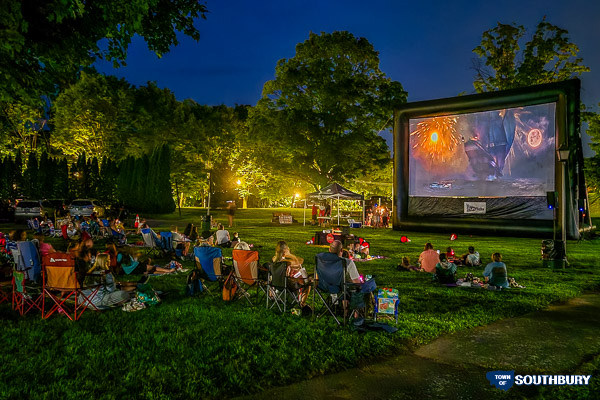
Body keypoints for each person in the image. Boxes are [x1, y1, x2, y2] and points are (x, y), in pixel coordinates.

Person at [273, 240, 310, 304]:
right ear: (285, 250)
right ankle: (302, 303)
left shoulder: (274, 260)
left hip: (276, 284)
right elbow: (300, 261)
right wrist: (290, 255)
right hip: (287, 285)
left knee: (297, 272)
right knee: (307, 284)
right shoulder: (287, 262)